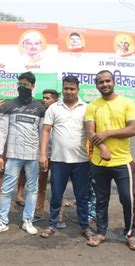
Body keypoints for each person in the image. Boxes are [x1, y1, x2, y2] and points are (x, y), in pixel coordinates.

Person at [84, 70, 135, 250]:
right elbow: (90, 132)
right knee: (101, 200)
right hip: (98, 162)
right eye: (101, 82)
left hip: (123, 161)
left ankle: (130, 234)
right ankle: (101, 232)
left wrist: (108, 133)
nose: (105, 85)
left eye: (107, 81)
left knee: (127, 198)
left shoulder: (127, 103)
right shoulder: (92, 106)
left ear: (114, 81)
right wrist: (103, 148)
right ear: (96, 85)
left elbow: (133, 129)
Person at [0, 71, 45, 236]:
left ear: (33, 86)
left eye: (26, 84)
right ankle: (3, 221)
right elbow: (2, 132)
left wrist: (42, 155)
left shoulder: (40, 108)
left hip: (32, 157)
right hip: (13, 156)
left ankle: (27, 220)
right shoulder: (8, 106)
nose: (23, 87)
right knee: (6, 189)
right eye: (20, 84)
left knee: (32, 189)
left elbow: (43, 134)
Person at [38, 77, 91, 239]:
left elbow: (91, 132)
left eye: (72, 89)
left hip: (81, 161)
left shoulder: (87, 108)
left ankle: (85, 227)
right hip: (59, 160)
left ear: (78, 90)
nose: (69, 91)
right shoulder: (54, 108)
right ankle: (52, 224)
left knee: (82, 196)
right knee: (56, 194)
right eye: (66, 88)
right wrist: (43, 155)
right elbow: (46, 131)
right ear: (62, 89)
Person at [33, 89, 58, 221]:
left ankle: (58, 215)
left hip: (58, 157)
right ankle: (39, 211)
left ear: (56, 100)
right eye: (44, 98)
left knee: (57, 186)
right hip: (43, 156)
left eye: (48, 98)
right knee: (41, 185)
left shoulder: (60, 114)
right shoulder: (41, 116)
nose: (44, 100)